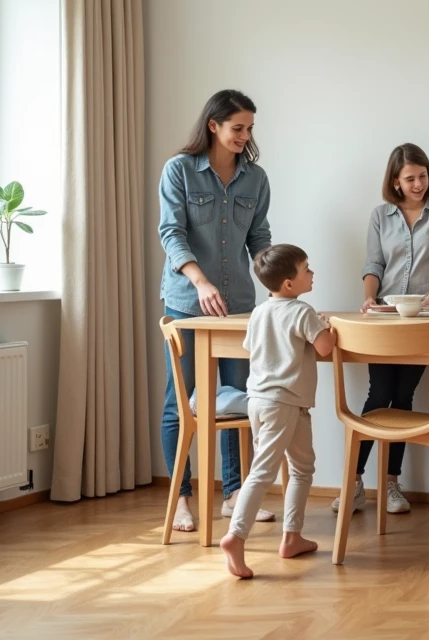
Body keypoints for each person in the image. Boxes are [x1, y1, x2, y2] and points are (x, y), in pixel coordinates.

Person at [158, 89, 274, 533]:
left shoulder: (255, 179)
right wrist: (200, 281)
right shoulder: (180, 171)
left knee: (238, 401)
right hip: (188, 305)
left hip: (239, 307)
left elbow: (259, 238)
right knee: (181, 403)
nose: (245, 136)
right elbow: (171, 233)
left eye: (249, 129)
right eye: (237, 128)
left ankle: (234, 494)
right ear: (214, 125)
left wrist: (280, 288)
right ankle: (182, 498)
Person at [331, 143, 429, 516]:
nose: (418, 184)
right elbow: (373, 262)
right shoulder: (380, 216)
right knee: (379, 394)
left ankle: (390, 484)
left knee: (404, 397)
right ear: (395, 181)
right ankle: (353, 482)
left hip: (425, 319)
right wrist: (369, 299)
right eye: (410, 178)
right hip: (386, 316)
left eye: (423, 176)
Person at [220, 244, 334, 579]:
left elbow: (251, 348)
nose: (312, 274)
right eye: (306, 269)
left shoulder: (259, 312)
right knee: (263, 471)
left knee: (302, 467)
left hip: (262, 400)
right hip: (283, 402)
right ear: (289, 284)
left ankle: (292, 536)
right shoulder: (302, 312)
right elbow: (325, 347)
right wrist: (325, 327)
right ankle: (236, 536)